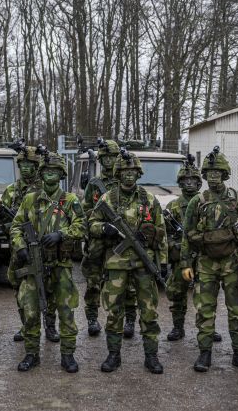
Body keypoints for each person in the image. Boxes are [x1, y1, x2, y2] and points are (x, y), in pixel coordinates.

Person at [88, 150, 168, 374]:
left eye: (132, 171)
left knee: (149, 312)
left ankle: (151, 356)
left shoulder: (149, 199)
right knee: (114, 312)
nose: (129, 175)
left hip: (143, 265)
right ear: (118, 174)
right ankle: (114, 355)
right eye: (124, 171)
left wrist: (161, 262)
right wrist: (105, 228)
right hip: (116, 264)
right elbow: (91, 224)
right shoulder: (107, 199)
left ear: (138, 173)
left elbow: (162, 233)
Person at [180, 147, 238, 373]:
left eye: (218, 172)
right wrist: (186, 263)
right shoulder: (198, 201)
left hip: (233, 262)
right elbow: (187, 234)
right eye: (209, 173)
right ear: (204, 175)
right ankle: (205, 353)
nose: (213, 176)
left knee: (237, 310)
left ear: (225, 174)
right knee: (205, 309)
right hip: (205, 263)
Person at [10, 152, 85, 372]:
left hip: (61, 266)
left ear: (61, 174)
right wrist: (20, 246)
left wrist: (62, 235)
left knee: (66, 311)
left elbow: (82, 226)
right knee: (31, 311)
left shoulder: (70, 200)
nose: (50, 175)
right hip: (34, 265)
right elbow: (16, 226)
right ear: (41, 174)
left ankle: (68, 355)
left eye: (54, 171)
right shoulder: (30, 199)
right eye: (47, 171)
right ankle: (32, 354)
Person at [80, 139, 138, 338]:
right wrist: (101, 224)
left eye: (112, 157)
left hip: (121, 241)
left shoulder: (124, 180)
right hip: (99, 240)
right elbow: (85, 211)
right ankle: (92, 318)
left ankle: (129, 320)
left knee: (128, 284)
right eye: (104, 158)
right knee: (93, 282)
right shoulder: (94, 184)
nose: (108, 161)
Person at [0, 144, 44, 342]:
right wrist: (0, 214)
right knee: (20, 288)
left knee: (46, 286)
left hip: (42, 247)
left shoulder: (44, 189)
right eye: (21, 164)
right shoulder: (11, 191)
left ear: (36, 166)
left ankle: (49, 326)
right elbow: (4, 226)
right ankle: (27, 326)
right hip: (19, 249)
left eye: (29, 164)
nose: (24, 168)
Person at [164, 155, 202, 342]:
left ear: (198, 183)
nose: (189, 183)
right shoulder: (173, 206)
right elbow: (165, 235)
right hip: (181, 258)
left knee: (205, 294)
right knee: (177, 293)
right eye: (185, 180)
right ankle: (178, 327)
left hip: (203, 257)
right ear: (180, 183)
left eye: (193, 180)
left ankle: (206, 327)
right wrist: (176, 247)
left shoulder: (205, 204)